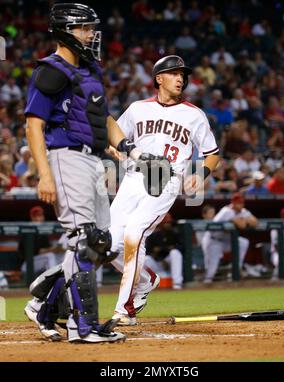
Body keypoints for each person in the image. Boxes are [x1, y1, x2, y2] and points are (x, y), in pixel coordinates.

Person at [23, 3, 157, 343]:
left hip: (95, 160)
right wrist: (44, 174)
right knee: (85, 241)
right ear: (66, 31)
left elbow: (104, 119)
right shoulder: (49, 70)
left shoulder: (89, 70)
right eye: (84, 28)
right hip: (65, 157)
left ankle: (46, 305)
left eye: (90, 28)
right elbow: (33, 125)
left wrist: (131, 149)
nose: (90, 34)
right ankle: (81, 328)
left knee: (100, 245)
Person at [109, 54, 220, 325]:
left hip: (166, 180)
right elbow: (114, 137)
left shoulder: (194, 114)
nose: (181, 78)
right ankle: (147, 280)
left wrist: (201, 174)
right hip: (134, 178)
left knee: (135, 233)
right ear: (159, 78)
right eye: (174, 73)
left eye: (183, 74)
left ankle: (125, 309)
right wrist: (117, 152)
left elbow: (213, 153)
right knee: (109, 245)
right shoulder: (137, 109)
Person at [201, 193, 258, 283]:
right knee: (211, 271)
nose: (241, 205)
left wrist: (244, 219)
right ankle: (204, 286)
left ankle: (237, 267)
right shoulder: (226, 211)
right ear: (233, 203)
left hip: (226, 241)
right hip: (213, 240)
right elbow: (242, 225)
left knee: (243, 242)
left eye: (242, 203)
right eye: (238, 203)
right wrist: (245, 220)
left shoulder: (242, 211)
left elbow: (255, 222)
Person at [19, 206, 66, 276]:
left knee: (61, 256)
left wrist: (58, 250)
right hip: (27, 265)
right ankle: (54, 280)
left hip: (39, 262)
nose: (41, 218)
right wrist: (53, 249)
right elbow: (37, 251)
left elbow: (47, 249)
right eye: (38, 216)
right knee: (49, 256)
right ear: (32, 218)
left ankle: (63, 278)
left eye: (41, 215)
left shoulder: (43, 232)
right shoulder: (27, 231)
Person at [144, 213, 183, 290]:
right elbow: (147, 252)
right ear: (161, 223)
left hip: (169, 263)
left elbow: (181, 248)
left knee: (175, 253)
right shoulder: (153, 236)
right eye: (166, 223)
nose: (168, 224)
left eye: (169, 222)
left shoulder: (174, 234)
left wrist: (167, 250)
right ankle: (147, 284)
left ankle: (177, 282)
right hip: (157, 264)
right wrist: (159, 259)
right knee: (146, 259)